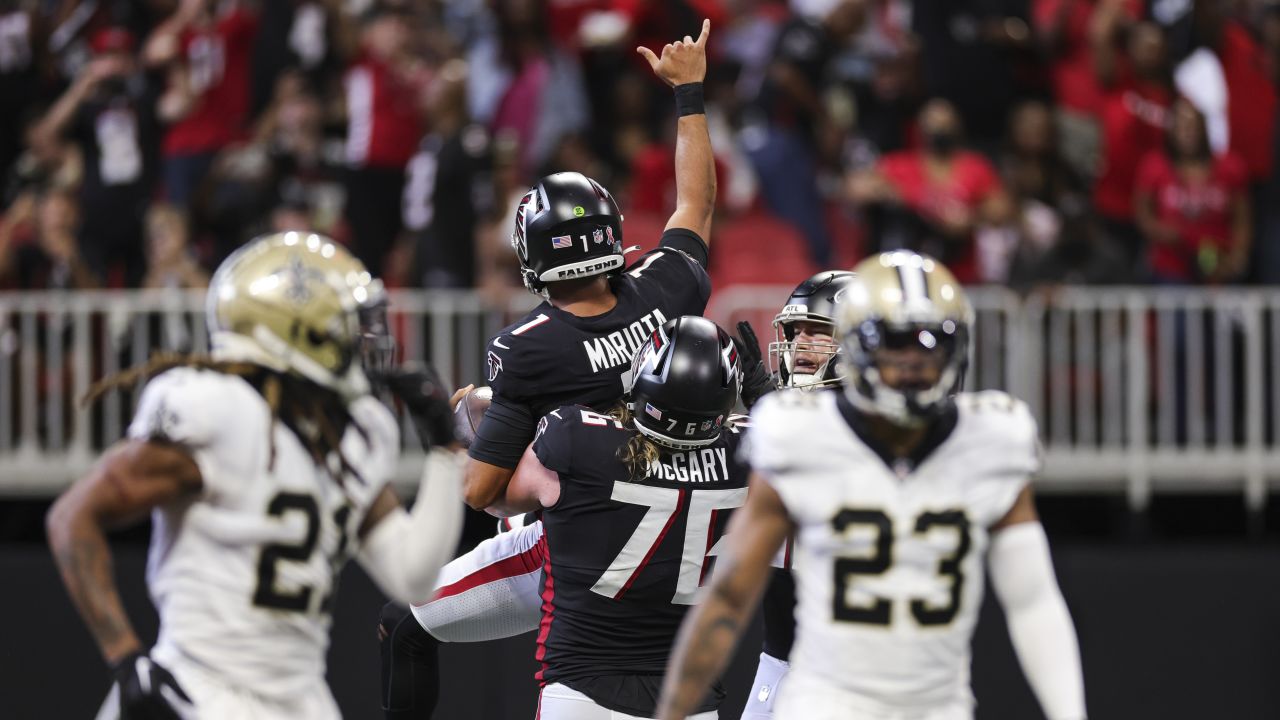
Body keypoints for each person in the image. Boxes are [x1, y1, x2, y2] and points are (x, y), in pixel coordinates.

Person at [377, 20, 718, 719]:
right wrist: (689, 95)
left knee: (402, 625)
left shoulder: (531, 346)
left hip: (579, 546)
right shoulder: (664, 288)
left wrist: (455, 425)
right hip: (679, 542)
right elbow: (696, 204)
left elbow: (483, 491)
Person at [46, 232, 465, 720]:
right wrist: (126, 659)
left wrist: (444, 450)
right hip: (196, 687)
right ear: (293, 330)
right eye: (344, 326)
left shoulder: (346, 435)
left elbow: (413, 574)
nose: (361, 341)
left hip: (299, 699)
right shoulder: (214, 407)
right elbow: (72, 516)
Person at [658, 251, 1087, 720]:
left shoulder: (991, 438)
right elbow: (729, 597)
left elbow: (1033, 602)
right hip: (817, 695)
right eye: (893, 342)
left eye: (927, 343)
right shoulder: (789, 433)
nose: (910, 362)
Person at [493, 315, 748, 719]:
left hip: (582, 687)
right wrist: (765, 390)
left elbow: (499, 500)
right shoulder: (751, 453)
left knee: (410, 618)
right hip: (689, 698)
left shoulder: (577, 436)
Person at [735, 269, 855, 720]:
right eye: (795, 331)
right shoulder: (775, 426)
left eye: (820, 332)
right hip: (779, 661)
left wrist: (766, 413)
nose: (801, 344)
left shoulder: (876, 434)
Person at [1134, 97, 1251, 284]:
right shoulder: (1154, 166)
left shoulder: (1230, 166)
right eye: (1181, 126)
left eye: (1193, 125)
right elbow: (1143, 215)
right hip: (1171, 262)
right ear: (1171, 131)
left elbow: (1242, 218)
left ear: (1204, 128)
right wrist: (1166, 233)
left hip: (1220, 259)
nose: (1188, 133)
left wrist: (1238, 256)